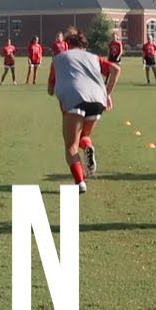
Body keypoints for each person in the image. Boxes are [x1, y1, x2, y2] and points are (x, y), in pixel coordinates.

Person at [48, 27, 121, 194]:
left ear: (67, 44)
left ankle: (80, 182)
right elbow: (116, 69)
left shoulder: (59, 59)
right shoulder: (93, 57)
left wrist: (56, 87)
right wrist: (107, 93)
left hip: (74, 99)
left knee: (71, 147)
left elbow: (51, 88)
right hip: (97, 101)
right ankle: (88, 147)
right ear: (83, 45)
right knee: (84, 136)